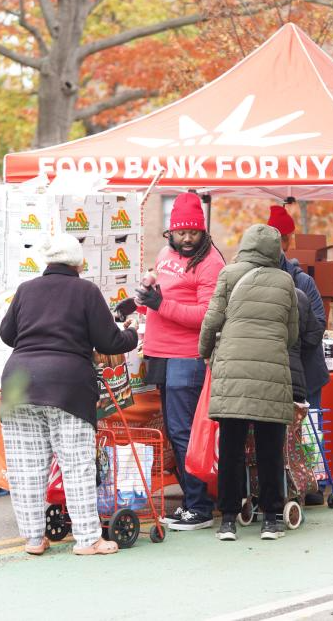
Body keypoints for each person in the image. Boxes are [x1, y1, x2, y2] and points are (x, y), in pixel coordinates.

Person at [0, 232, 138, 556]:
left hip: (19, 383)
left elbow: (7, 334)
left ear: (48, 262)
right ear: (78, 263)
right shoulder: (86, 291)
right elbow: (109, 342)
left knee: (27, 468)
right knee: (76, 464)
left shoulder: (26, 289)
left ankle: (34, 539)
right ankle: (88, 539)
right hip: (67, 386)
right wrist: (131, 333)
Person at [121, 192, 225, 531]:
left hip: (187, 356)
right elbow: (160, 286)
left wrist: (161, 304)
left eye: (194, 233)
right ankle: (193, 501)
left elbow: (209, 315)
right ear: (170, 233)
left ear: (203, 232)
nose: (188, 239)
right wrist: (142, 297)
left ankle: (199, 506)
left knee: (184, 433)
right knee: (173, 431)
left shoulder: (211, 263)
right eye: (181, 233)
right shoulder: (166, 253)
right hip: (159, 352)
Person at [198, 224, 299, 542]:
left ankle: (228, 519)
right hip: (271, 372)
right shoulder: (285, 281)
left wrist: (204, 351)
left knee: (231, 447)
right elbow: (292, 333)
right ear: (275, 250)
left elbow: (212, 319)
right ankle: (271, 518)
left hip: (232, 370)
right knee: (270, 448)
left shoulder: (228, 274)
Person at [266, 205, 327, 402]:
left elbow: (318, 326)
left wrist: (289, 345)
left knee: (309, 431)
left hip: (307, 375)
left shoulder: (302, 281)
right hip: (272, 375)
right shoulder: (255, 277)